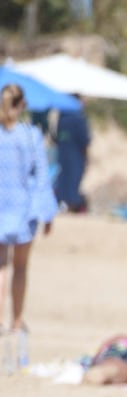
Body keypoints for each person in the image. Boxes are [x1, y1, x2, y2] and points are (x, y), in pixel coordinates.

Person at [0, 83, 54, 354]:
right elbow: (42, 177)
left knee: (0, 266)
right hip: (24, 210)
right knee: (20, 267)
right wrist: (48, 213)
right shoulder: (31, 135)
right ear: (22, 105)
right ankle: (16, 320)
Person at [53, 94, 89, 213]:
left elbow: (56, 137)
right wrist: (86, 157)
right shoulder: (79, 119)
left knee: (63, 179)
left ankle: (63, 203)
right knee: (73, 180)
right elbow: (84, 141)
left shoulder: (61, 118)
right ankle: (72, 204)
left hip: (62, 155)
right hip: (76, 156)